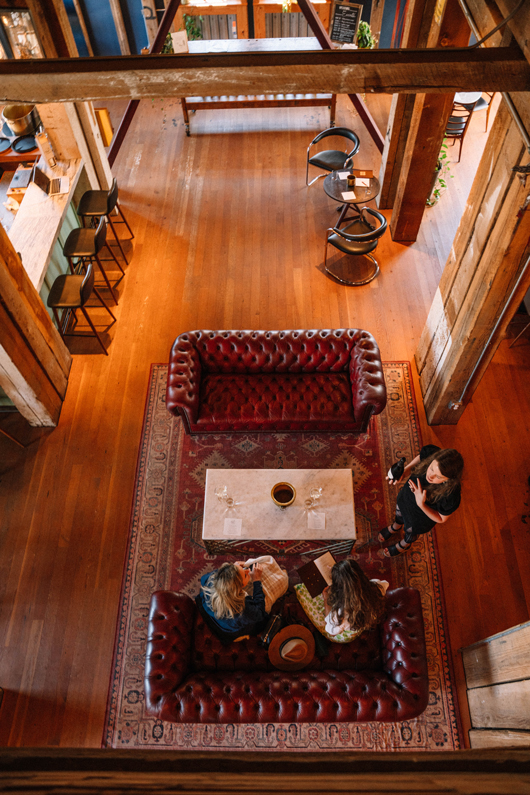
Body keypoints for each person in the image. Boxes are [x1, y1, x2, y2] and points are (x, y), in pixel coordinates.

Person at [380, 444, 464, 557]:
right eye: (432, 468)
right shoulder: (432, 453)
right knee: (399, 513)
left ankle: (404, 545)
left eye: (438, 477)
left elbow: (441, 518)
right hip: (406, 498)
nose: (430, 476)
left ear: (448, 480)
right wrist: (405, 471)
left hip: (419, 518)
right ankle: (395, 526)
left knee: (411, 532)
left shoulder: (451, 495)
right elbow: (420, 458)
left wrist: (421, 504)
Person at [295, 558, 388, 643]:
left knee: (303, 591)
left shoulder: (341, 613)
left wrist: (326, 598)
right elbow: (386, 584)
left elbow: (331, 632)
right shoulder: (376, 586)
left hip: (345, 631)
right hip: (362, 619)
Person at [197, 556, 288, 641]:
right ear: (239, 589)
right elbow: (259, 613)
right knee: (262, 620)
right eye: (245, 575)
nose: (248, 570)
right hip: (227, 630)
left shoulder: (211, 579)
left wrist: (233, 569)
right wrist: (256, 580)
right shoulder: (242, 609)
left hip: (211, 611)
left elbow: (205, 578)